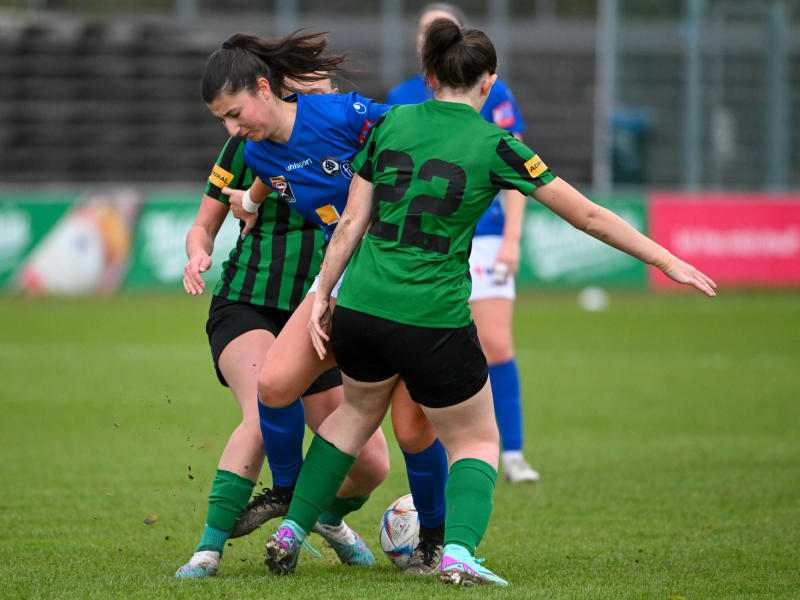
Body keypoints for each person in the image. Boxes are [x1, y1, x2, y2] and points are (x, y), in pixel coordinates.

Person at [263, 18, 717, 587]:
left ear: (429, 76)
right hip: (432, 315)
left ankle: (291, 531)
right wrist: (665, 260)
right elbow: (587, 215)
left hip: (361, 302)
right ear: (489, 82)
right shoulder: (497, 144)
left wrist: (322, 295)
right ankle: (457, 553)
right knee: (475, 439)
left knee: (353, 417)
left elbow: (352, 221)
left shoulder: (393, 121)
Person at [175, 54, 388, 578]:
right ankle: (208, 550)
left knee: (371, 464)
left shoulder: (346, 135)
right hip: (248, 301)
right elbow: (205, 224)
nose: (315, 99)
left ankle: (324, 519)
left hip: (319, 309)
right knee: (264, 406)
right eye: (305, 89)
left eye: (324, 92)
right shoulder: (248, 143)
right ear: (276, 89)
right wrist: (198, 253)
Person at [387, 2, 540, 485]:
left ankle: (511, 453)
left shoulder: (491, 88)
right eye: (426, 30)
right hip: (427, 242)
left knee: (496, 344)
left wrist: (512, 238)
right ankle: (441, 457)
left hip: (486, 233)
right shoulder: (400, 98)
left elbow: (520, 170)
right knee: (421, 355)